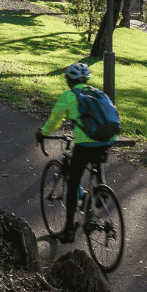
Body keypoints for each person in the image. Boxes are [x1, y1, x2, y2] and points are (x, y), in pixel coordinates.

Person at [36, 61, 117, 243]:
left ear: (69, 81)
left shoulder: (68, 96)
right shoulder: (99, 94)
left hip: (85, 145)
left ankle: (68, 230)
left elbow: (55, 121)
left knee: (72, 184)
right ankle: (100, 188)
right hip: (107, 139)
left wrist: (43, 133)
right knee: (96, 160)